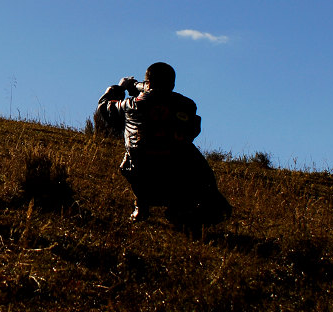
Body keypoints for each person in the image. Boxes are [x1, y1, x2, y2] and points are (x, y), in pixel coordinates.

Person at [95, 62, 232, 229]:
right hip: (177, 180)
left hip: (142, 179)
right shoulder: (187, 106)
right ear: (172, 84)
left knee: (135, 156)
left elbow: (104, 107)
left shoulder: (130, 106)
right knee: (218, 205)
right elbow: (192, 131)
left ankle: (143, 206)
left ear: (149, 83)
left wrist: (119, 88)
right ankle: (182, 216)